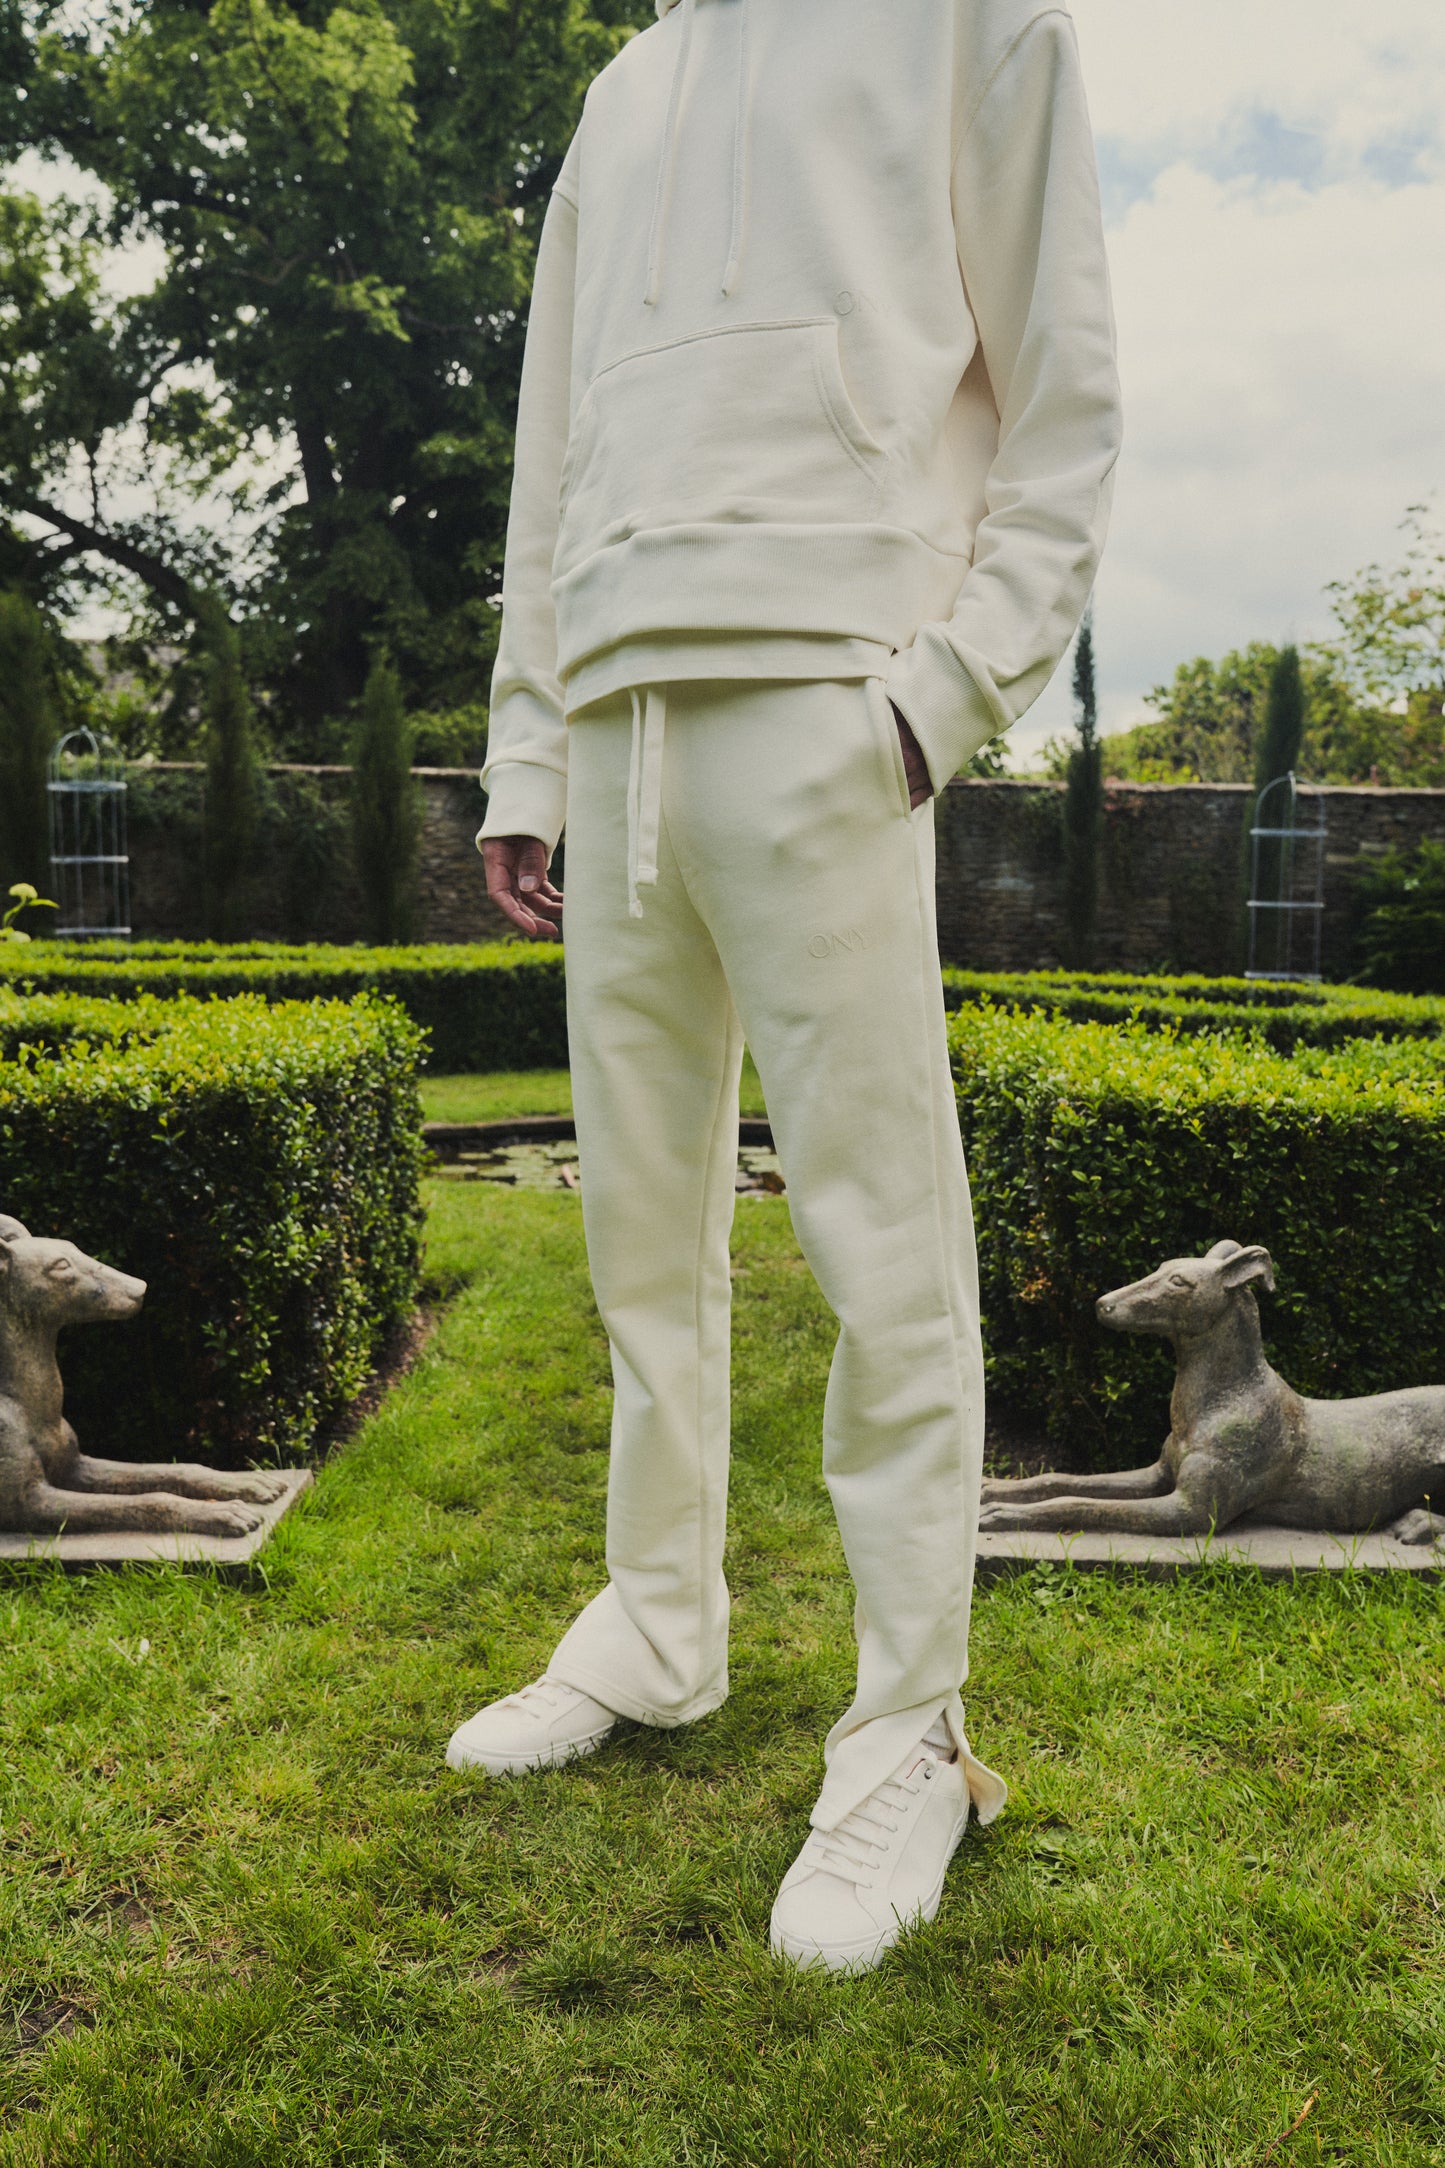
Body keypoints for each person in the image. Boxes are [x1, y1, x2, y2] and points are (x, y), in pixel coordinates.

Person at [447, 0, 1122, 1975]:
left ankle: (909, 1725)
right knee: (641, 1243)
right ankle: (656, 1635)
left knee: (878, 1244)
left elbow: (1068, 404)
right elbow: (549, 448)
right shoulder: (623, 88)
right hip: (620, 713)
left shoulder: (977, 27)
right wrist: (529, 747)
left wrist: (941, 694)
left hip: (831, 699)